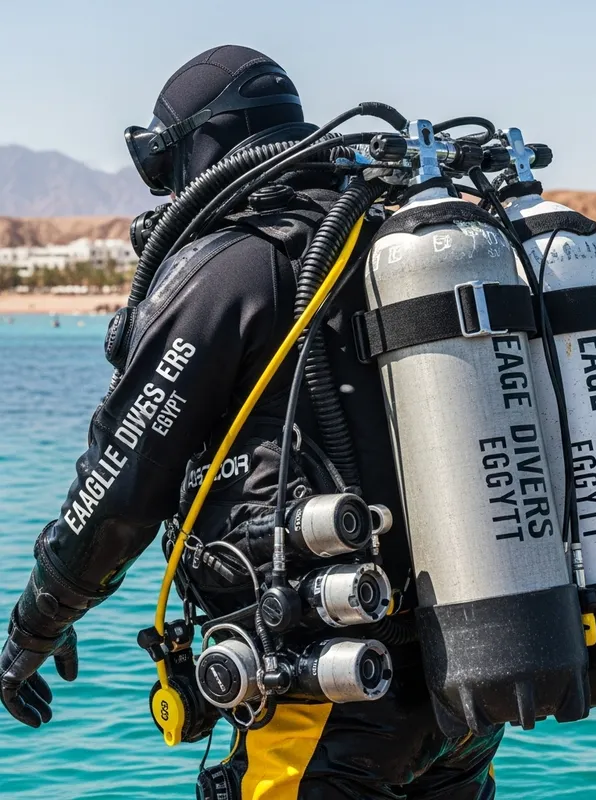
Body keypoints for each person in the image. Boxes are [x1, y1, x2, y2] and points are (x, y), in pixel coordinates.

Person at [0, 45, 503, 799]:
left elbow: (122, 478)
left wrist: (34, 626)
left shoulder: (235, 263)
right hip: (467, 684)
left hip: (334, 691)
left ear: (195, 149)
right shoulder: (388, 238)